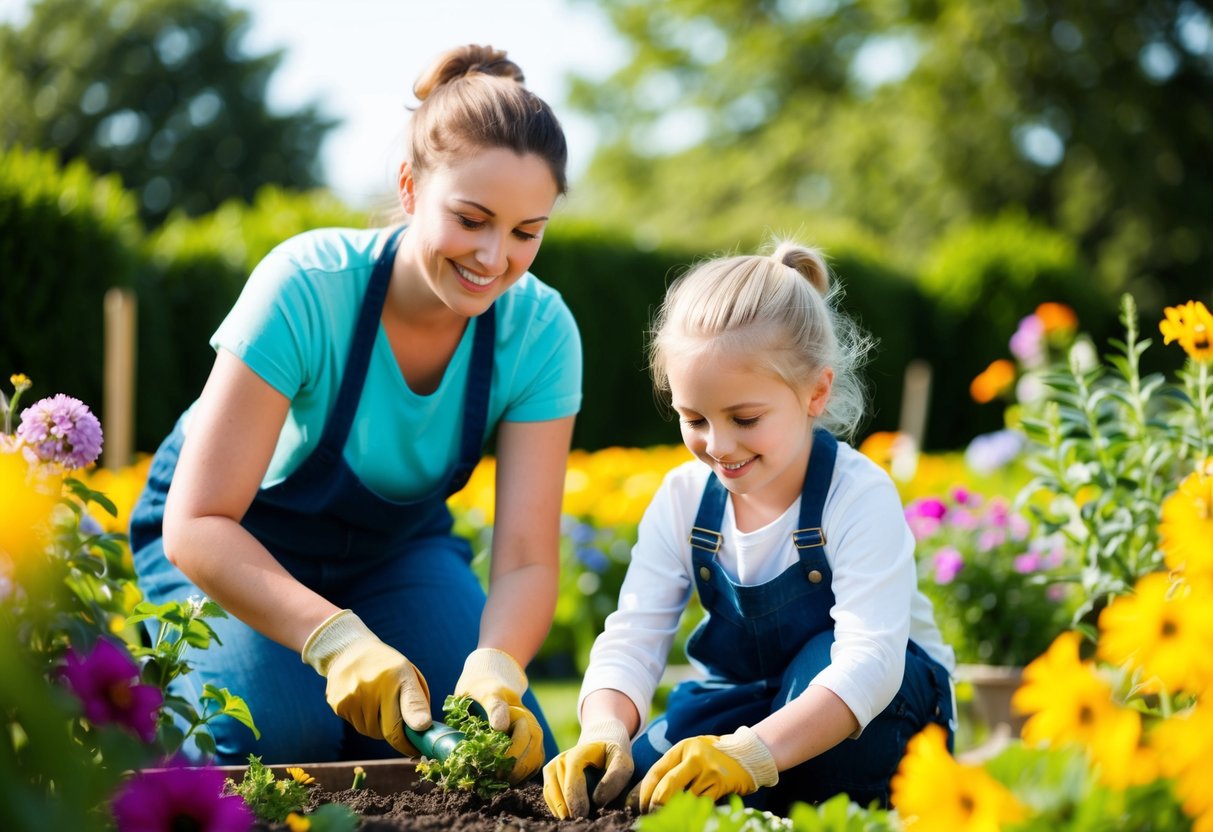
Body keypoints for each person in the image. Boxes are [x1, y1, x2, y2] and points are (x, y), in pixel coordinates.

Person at [129, 44, 580, 781]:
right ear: (409, 188)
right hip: (235, 541)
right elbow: (197, 522)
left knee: (493, 752)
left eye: (527, 232)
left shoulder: (540, 331)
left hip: (394, 553)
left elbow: (527, 557)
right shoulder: (307, 287)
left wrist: (497, 664)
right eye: (471, 219)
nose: (495, 258)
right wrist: (333, 640)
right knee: (279, 739)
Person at [542, 242, 955, 818]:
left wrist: (753, 753)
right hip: (748, 702)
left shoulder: (857, 493)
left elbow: (871, 665)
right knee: (638, 779)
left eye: (744, 419)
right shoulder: (684, 499)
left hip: (886, 709)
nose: (718, 445)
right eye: (694, 419)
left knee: (823, 681)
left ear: (815, 393)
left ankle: (795, 795)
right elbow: (634, 636)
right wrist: (605, 725)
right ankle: (763, 797)